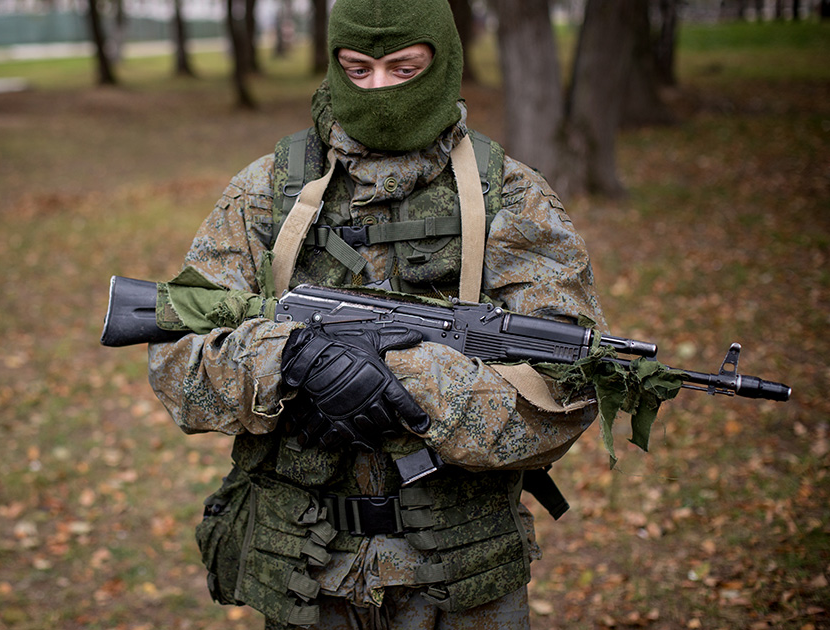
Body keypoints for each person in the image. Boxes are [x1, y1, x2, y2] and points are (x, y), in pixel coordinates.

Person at [148, 0, 606, 628]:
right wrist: (291, 362)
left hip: (461, 578)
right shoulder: (268, 191)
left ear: (444, 63)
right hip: (304, 570)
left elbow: (570, 390)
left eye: (404, 69)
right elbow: (177, 362)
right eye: (357, 70)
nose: (379, 90)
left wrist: (401, 378)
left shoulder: (512, 197)